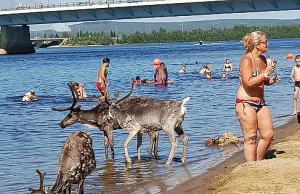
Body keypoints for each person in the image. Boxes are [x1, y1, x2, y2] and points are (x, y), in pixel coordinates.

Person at [235, 31, 280, 162]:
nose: (267, 44)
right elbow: (248, 83)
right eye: (265, 42)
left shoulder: (263, 60)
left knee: (268, 134)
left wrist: (271, 80)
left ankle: (257, 162)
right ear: (256, 44)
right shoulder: (246, 60)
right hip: (245, 103)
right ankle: (251, 166)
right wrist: (265, 74)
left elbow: (263, 81)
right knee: (251, 137)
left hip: (260, 103)